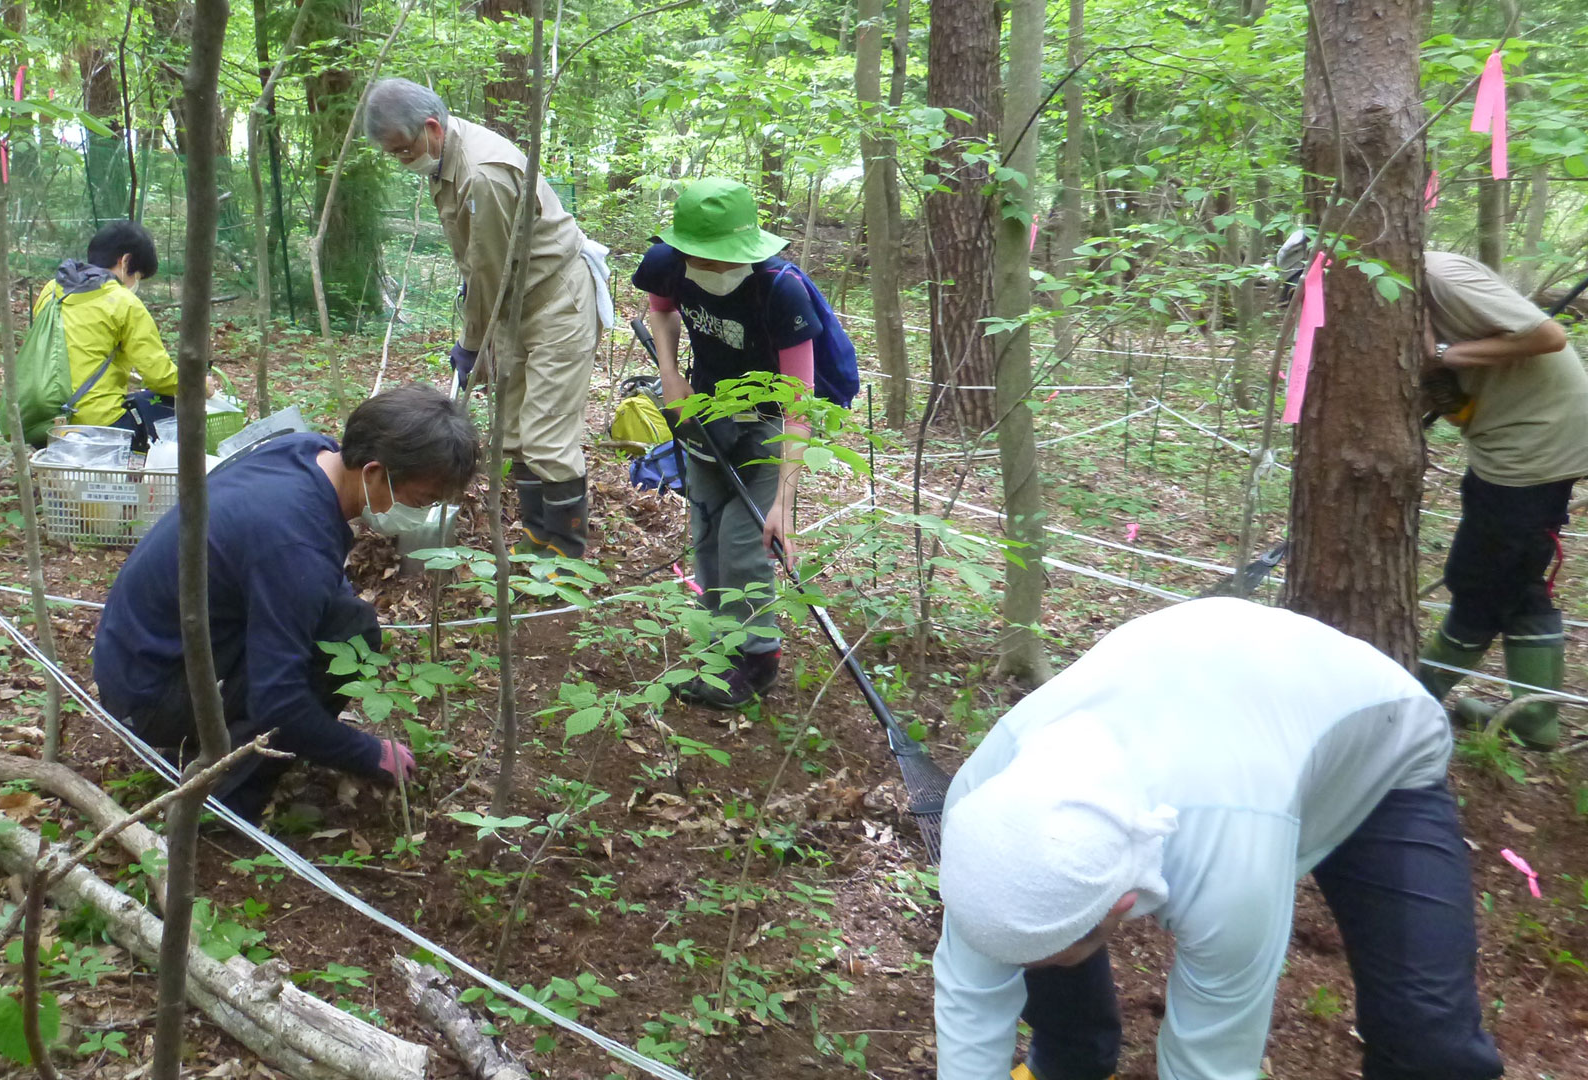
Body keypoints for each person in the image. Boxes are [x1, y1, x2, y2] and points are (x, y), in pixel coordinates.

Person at [934, 598, 1501, 1080]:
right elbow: (970, 1001)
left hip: (1378, 751)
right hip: (1220, 709)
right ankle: (1071, 1060)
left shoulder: (1228, 865)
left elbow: (1210, 1062)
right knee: (1036, 921)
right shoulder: (983, 812)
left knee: (1430, 1041)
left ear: (1124, 904)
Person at [92, 384, 479, 821]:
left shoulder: (305, 451)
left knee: (346, 617)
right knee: (351, 632)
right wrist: (368, 753)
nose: (421, 514)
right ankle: (227, 799)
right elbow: (278, 702)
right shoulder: (294, 543)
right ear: (372, 472)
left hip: (132, 656)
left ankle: (228, 752)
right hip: (148, 696)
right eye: (422, 501)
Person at [362, 78, 602, 559]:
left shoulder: (482, 175)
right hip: (510, 302)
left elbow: (488, 272)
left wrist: (474, 345)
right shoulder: (445, 154)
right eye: (393, 154)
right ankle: (537, 537)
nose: (403, 160)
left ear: (431, 127)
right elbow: (478, 264)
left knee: (546, 438)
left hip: (555, 299)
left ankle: (568, 556)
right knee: (512, 430)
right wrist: (484, 342)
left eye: (405, 150)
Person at [630, 178, 818, 709]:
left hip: (765, 423)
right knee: (707, 529)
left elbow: (801, 403)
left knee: (744, 538)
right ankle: (719, 648)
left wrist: (785, 502)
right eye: (700, 256)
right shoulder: (667, 262)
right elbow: (660, 310)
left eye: (722, 257)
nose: (710, 267)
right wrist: (670, 373)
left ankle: (758, 657)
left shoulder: (780, 289)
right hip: (703, 413)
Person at [1415, 249, 1588, 751]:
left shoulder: (1438, 275)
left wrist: (1442, 354)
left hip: (1535, 443)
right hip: (1508, 441)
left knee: (1478, 580)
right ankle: (1535, 720)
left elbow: (1547, 336)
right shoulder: (1403, 289)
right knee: (1517, 577)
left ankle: (1418, 698)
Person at [35, 221, 207, 437]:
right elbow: (160, 377)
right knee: (170, 407)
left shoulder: (51, 290)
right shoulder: (123, 302)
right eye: (138, 276)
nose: (135, 283)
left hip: (40, 417)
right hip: (95, 423)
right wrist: (198, 385)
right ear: (125, 261)